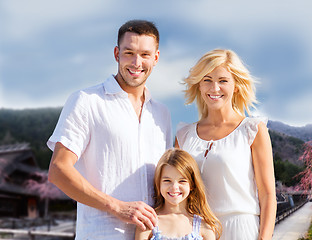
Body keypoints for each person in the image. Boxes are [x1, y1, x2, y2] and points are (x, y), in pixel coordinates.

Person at [47, 20, 172, 239]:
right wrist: (117, 207)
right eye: (129, 52)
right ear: (116, 53)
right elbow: (58, 170)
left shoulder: (162, 114)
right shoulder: (86, 101)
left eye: (145, 54)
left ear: (156, 58)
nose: (136, 62)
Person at [175, 49, 277, 239]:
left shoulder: (252, 130)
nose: (214, 88)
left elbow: (268, 194)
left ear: (236, 86)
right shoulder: (183, 135)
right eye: (207, 80)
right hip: (196, 230)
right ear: (198, 85)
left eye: (223, 81)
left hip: (241, 229)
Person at [135, 148, 221, 240]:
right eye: (167, 180)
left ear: (192, 184)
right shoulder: (148, 223)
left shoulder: (204, 226)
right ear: (158, 183)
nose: (174, 187)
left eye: (182, 181)